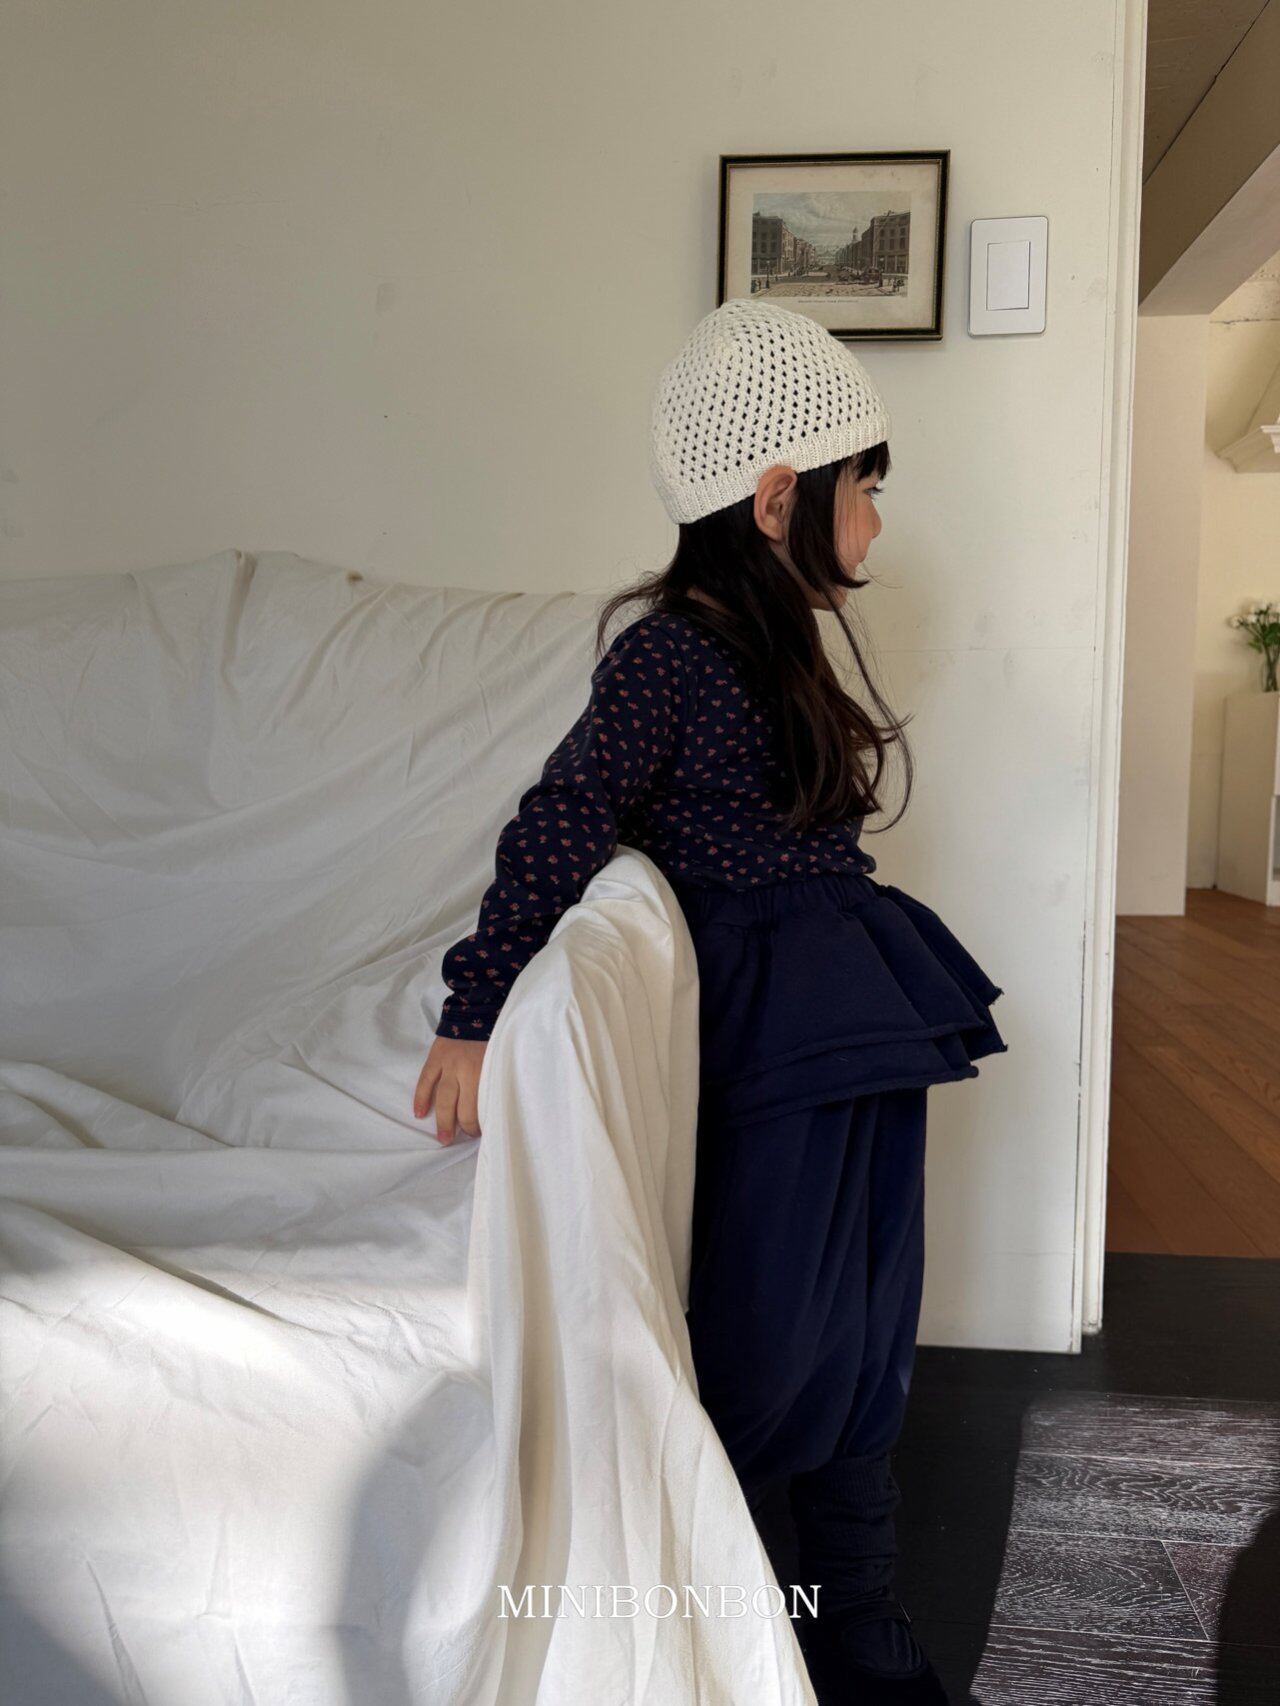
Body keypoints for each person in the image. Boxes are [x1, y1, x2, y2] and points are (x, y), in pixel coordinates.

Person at [413, 298, 1007, 1704]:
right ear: (778, 496)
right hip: (769, 1037)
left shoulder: (781, 640)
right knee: (767, 1336)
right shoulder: (669, 654)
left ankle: (857, 1605)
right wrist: (473, 1006)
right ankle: (725, 1611)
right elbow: (564, 815)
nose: (878, 520)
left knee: (871, 1318)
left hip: (859, 1008)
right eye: (866, 487)